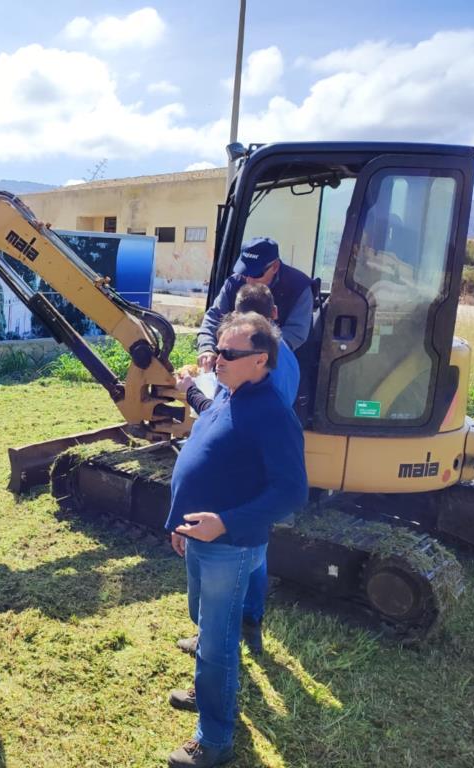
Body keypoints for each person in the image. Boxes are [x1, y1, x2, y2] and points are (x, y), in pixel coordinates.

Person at [164, 313, 307, 768]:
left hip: (229, 544)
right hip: (198, 537)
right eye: (217, 349)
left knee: (218, 641)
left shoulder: (270, 413)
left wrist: (222, 523)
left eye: (228, 353)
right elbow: (208, 420)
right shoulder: (230, 394)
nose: (216, 358)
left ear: (260, 360)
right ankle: (210, 690)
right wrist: (181, 522)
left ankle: (215, 740)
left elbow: (292, 491)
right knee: (205, 626)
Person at [175, 283, 299, 656]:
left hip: (238, 493)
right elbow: (221, 410)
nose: (222, 358)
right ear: (274, 313)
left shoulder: (255, 385)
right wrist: (192, 392)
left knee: (240, 563)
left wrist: (195, 388)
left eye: (228, 351)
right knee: (255, 559)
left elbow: (229, 415)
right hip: (252, 483)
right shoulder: (282, 355)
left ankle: (218, 638)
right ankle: (248, 622)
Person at [196, 237, 312, 371]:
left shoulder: (299, 286)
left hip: (279, 364)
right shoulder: (233, 283)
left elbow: (296, 332)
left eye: (256, 274)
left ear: (274, 267)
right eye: (245, 272)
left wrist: (250, 352)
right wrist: (207, 348)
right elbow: (213, 317)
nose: (249, 280)